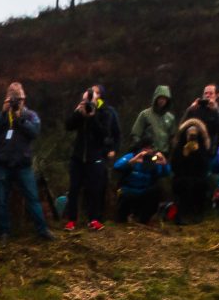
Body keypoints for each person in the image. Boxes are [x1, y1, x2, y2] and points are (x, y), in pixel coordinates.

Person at [0, 81, 54, 243]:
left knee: (32, 198)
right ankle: (4, 232)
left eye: (19, 99)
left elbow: (35, 132)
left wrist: (20, 119)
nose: (17, 102)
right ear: (7, 99)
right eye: (14, 99)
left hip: (23, 164)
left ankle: (42, 230)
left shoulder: (30, 115)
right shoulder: (2, 116)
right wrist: (3, 114)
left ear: (24, 99)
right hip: (3, 163)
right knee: (2, 200)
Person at [63, 83, 121, 231]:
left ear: (98, 99)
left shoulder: (106, 112)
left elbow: (104, 134)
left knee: (94, 190)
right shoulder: (80, 109)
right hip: (78, 157)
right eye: (86, 99)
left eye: (91, 99)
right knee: (74, 189)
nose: (88, 102)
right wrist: (78, 113)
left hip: (95, 157)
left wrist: (92, 116)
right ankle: (71, 220)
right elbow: (68, 126)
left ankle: (94, 219)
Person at [169, 112, 213, 224]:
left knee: (200, 185)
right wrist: (184, 155)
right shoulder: (179, 147)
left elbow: (205, 165)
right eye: (189, 134)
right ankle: (182, 214)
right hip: (182, 177)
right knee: (183, 185)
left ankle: (197, 214)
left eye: (194, 134)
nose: (191, 136)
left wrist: (197, 152)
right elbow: (174, 166)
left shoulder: (202, 147)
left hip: (198, 177)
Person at [113, 141, 170, 223]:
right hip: (128, 189)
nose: (147, 150)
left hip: (144, 191)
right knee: (125, 197)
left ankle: (144, 219)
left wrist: (164, 163)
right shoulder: (131, 156)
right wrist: (134, 160)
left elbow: (165, 173)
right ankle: (123, 217)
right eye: (145, 148)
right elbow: (117, 166)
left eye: (150, 148)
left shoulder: (153, 160)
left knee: (156, 191)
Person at [129, 85, 175, 156]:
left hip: (163, 154)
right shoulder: (145, 114)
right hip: (148, 153)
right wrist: (141, 148)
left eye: (164, 98)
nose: (162, 100)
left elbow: (172, 138)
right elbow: (135, 134)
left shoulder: (170, 118)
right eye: (160, 98)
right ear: (156, 98)